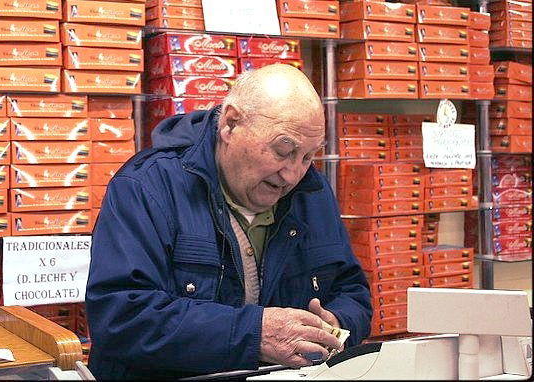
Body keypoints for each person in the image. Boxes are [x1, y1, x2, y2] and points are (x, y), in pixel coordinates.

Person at [86, 64, 372, 380]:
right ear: (231, 123)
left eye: (307, 157)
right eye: (283, 150)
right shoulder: (146, 188)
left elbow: (352, 290)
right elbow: (122, 318)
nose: (293, 174)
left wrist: (334, 323)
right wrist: (254, 334)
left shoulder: (312, 194)